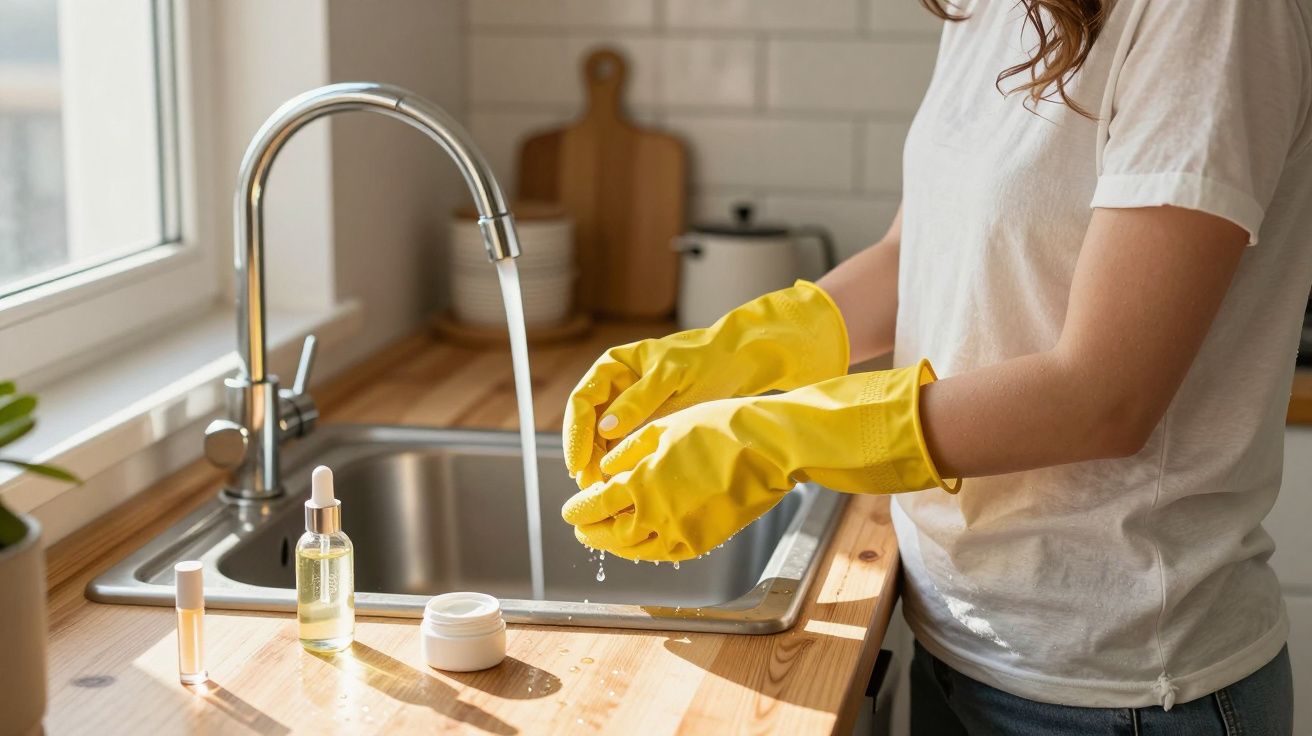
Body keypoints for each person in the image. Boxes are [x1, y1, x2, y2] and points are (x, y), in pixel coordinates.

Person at [559, 0, 1311, 732]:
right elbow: (912, 255)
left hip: (1124, 685)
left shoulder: (1217, 14)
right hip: (959, 641)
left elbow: (1104, 395)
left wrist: (776, 437)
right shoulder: (988, 6)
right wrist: (737, 352)